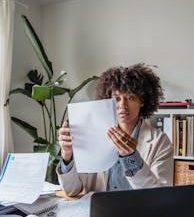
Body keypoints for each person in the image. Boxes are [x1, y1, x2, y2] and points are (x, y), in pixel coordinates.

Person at [57, 63, 173, 196]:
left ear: (142, 101)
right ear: (107, 101)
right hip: (98, 212)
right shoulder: (92, 135)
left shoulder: (160, 142)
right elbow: (72, 190)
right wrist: (67, 156)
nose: (122, 105)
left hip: (138, 213)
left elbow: (160, 196)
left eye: (130, 98)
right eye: (116, 99)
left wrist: (131, 158)